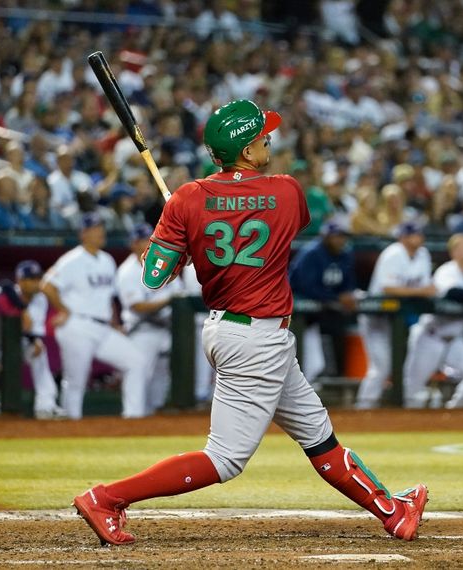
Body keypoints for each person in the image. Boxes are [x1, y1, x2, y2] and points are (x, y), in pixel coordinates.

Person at [72, 99, 427, 547]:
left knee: (317, 433)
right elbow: (268, 222)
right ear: (244, 150)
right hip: (255, 337)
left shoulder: (186, 198)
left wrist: (178, 239)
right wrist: (206, 218)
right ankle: (106, 498)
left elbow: (153, 277)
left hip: (243, 332)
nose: (268, 140)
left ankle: (391, 512)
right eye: (261, 137)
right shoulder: (287, 191)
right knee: (224, 459)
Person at [41, 213, 148, 420]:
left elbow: (108, 297)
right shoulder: (72, 259)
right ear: (84, 233)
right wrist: (64, 310)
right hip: (77, 326)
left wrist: (115, 322)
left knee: (137, 361)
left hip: (103, 327)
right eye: (95, 229)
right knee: (76, 382)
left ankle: (133, 419)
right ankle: (71, 425)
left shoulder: (107, 260)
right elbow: (47, 286)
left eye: (101, 228)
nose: (100, 232)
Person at [402, 234, 463, 409]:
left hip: (455, 341)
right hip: (430, 337)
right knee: (412, 394)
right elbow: (452, 292)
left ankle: (454, 410)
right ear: (454, 252)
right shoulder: (446, 271)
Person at [355, 221, 436, 409]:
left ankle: (375, 406)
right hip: (375, 316)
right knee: (381, 367)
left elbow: (428, 288)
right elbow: (389, 288)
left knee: (394, 365)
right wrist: (419, 292)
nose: (417, 238)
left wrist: (418, 291)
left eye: (418, 234)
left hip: (395, 320)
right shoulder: (393, 254)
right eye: (411, 235)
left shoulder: (423, 254)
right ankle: (363, 408)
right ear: (402, 237)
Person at [115, 223, 183, 416]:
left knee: (161, 375)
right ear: (134, 244)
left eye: (150, 239)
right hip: (141, 330)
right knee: (140, 374)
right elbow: (137, 306)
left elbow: (180, 291)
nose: (149, 243)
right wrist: (168, 301)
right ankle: (134, 415)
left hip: (165, 329)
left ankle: (154, 414)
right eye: (144, 239)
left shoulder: (162, 261)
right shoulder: (128, 271)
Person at [288, 220, 357, 381]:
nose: (339, 240)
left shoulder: (345, 254)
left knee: (316, 362)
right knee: (298, 360)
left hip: (323, 312)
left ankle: (336, 379)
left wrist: (348, 294)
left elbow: (348, 283)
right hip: (297, 311)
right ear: (325, 236)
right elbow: (306, 286)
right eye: (335, 237)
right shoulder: (311, 253)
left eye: (342, 237)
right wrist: (336, 298)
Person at [0, 260, 64, 419]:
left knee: (39, 350)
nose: (36, 283)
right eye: (31, 279)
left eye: (38, 278)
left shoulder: (40, 298)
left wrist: (34, 340)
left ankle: (45, 406)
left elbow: (31, 330)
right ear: (20, 280)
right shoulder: (9, 293)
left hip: (20, 342)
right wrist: (23, 309)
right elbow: (4, 285)